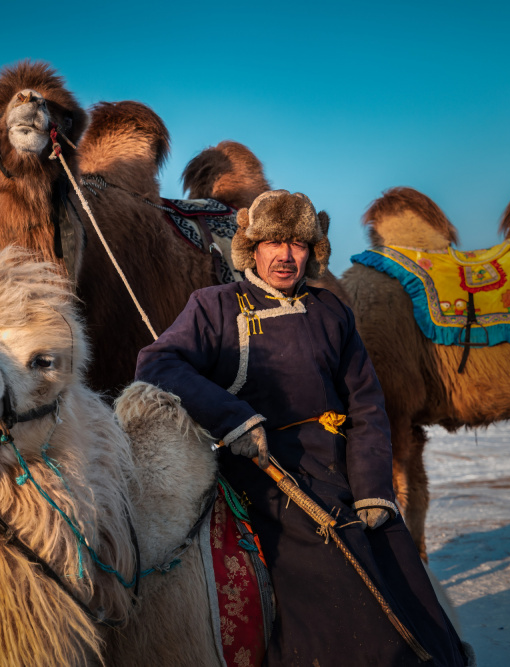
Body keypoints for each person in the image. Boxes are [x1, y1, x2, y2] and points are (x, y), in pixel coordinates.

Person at [135, 190, 468, 666]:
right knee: (331, 575)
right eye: (273, 242)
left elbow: (366, 405)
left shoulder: (332, 312)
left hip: (339, 466)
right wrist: (233, 418)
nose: (285, 256)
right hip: (262, 470)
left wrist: (374, 488)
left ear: (313, 251)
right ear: (253, 248)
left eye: (298, 243)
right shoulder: (215, 306)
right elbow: (157, 362)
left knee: (400, 568)